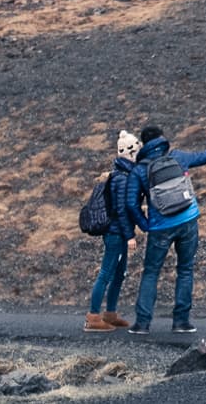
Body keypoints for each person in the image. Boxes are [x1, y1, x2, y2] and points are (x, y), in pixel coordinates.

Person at [125, 125, 206, 335]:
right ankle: (181, 322)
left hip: (160, 226)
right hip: (188, 219)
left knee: (151, 273)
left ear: (144, 144)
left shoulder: (140, 169)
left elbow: (130, 203)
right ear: (162, 139)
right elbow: (205, 156)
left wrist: (145, 225)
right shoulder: (177, 157)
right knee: (185, 269)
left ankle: (143, 324)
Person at [85, 130, 143, 330]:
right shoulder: (124, 178)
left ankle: (110, 314)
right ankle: (93, 317)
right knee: (107, 273)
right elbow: (121, 209)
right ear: (130, 152)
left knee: (119, 273)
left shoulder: (123, 174)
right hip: (116, 233)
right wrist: (129, 235)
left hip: (118, 231)